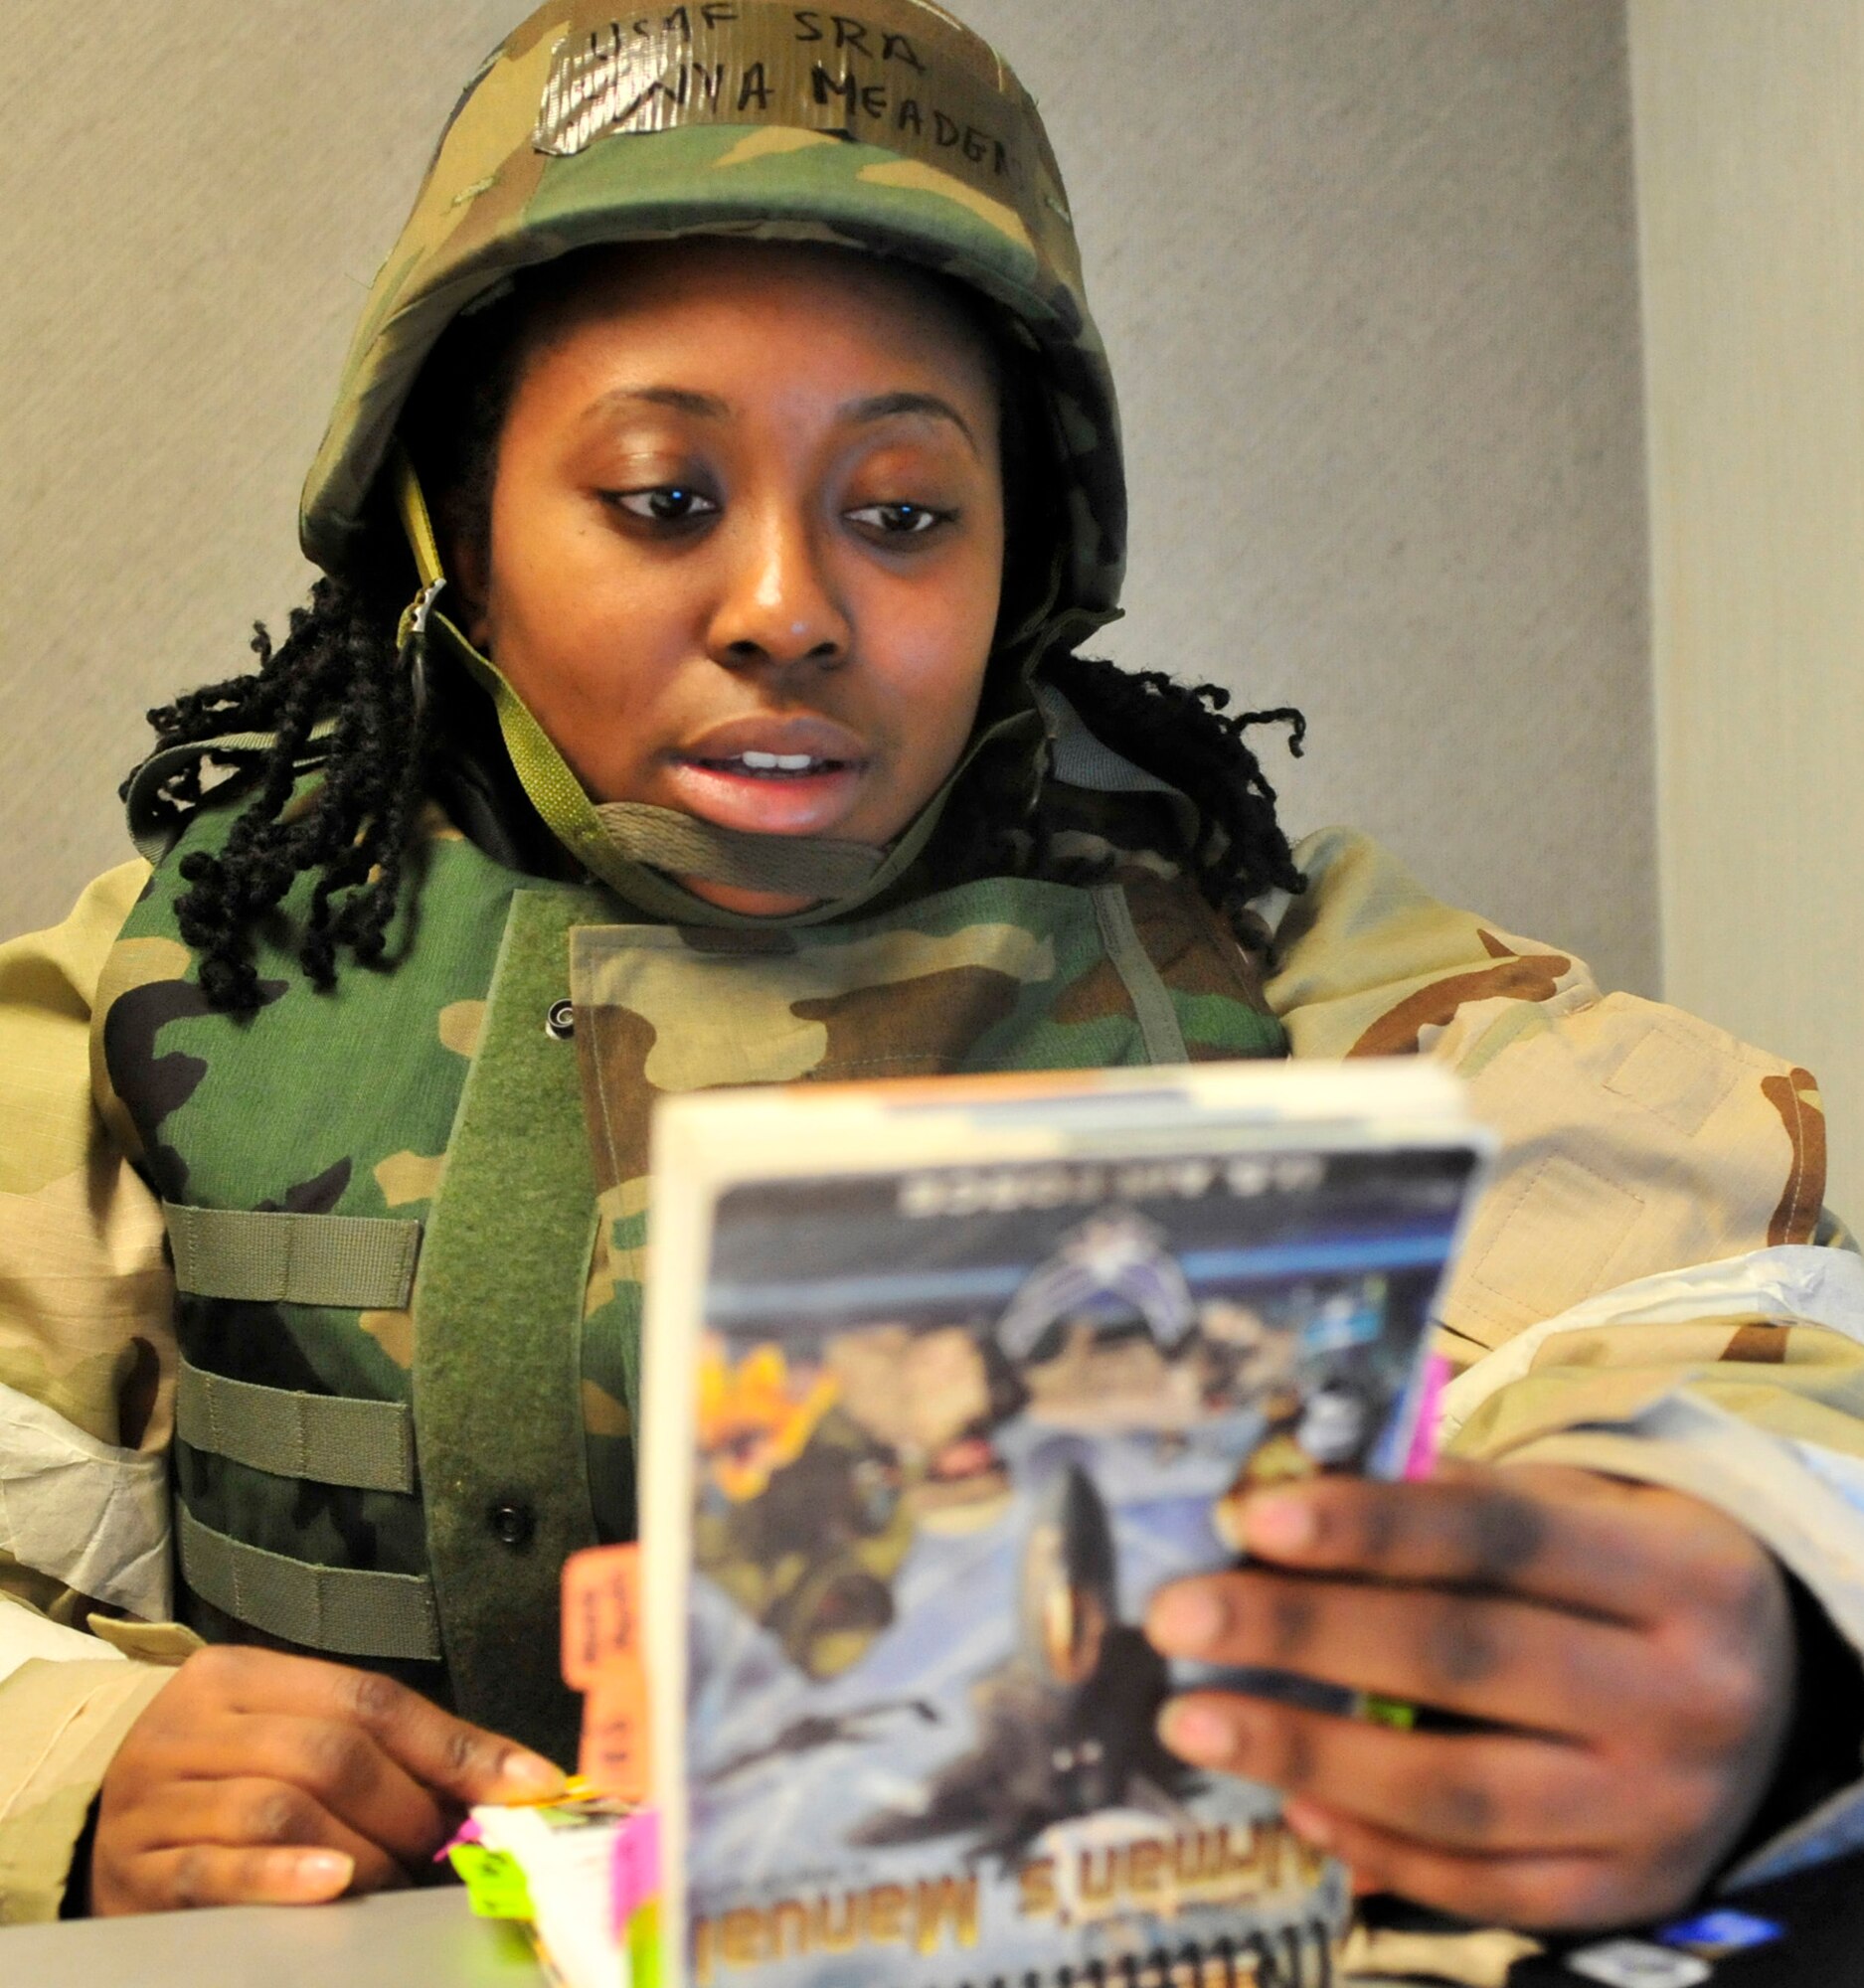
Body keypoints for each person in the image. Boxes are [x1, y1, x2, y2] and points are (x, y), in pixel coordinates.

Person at [2, 0, 1861, 1957]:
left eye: (900, 514)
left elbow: (1753, 1309)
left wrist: (1750, 1616)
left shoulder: (1262, 953)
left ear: (1017, 553)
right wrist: (85, 1758)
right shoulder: (190, 974)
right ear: (448, 523)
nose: (787, 609)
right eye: (661, 497)